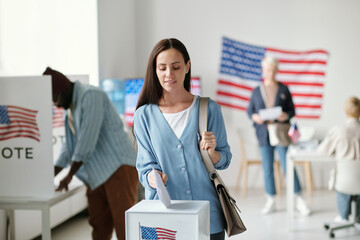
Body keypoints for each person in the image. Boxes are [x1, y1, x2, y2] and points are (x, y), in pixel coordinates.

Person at [133, 38, 232, 240]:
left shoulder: (209, 109)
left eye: (175, 67)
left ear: (187, 67)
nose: (169, 74)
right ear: (155, 71)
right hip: (162, 219)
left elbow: (225, 159)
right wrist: (152, 178)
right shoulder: (143, 115)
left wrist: (213, 155)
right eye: (162, 68)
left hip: (208, 216)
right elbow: (144, 168)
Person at [43, 67, 138, 240]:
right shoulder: (70, 109)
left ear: (64, 90)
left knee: (125, 227)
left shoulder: (91, 96)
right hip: (96, 175)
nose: (55, 105)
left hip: (118, 168)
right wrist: (48, 177)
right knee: (99, 227)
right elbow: (68, 147)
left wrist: (70, 175)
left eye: (55, 99)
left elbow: (87, 140)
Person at [247, 55, 310, 215]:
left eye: (274, 70)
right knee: (267, 168)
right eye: (268, 70)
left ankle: (299, 199)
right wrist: (255, 117)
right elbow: (250, 111)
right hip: (263, 134)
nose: (271, 73)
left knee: (287, 165)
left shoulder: (284, 89)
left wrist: (285, 116)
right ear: (264, 70)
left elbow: (292, 111)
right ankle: (271, 199)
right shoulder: (256, 90)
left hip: (281, 133)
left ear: (277, 70)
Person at [317, 96, 360, 223]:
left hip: (344, 181)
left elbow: (323, 150)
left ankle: (343, 216)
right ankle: (357, 216)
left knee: (344, 183)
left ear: (346, 111)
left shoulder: (339, 130)